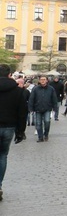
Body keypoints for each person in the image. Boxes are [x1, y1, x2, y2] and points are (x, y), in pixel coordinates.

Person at [0, 64, 28, 201]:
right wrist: (21, 131)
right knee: (2, 156)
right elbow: (23, 112)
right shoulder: (17, 91)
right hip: (9, 127)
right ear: (9, 75)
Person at [28, 76, 58, 142]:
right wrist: (30, 108)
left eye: (44, 79)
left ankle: (46, 134)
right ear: (39, 81)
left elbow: (54, 99)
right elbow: (31, 98)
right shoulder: (35, 89)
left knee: (47, 122)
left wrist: (55, 108)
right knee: (38, 123)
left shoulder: (51, 89)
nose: (42, 81)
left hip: (47, 108)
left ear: (47, 80)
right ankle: (40, 137)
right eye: (41, 79)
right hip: (38, 108)